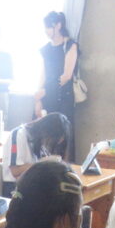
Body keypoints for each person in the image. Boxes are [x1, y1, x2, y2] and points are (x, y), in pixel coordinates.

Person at [35, 11, 77, 159]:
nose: (46, 31)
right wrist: (38, 98)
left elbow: (66, 76)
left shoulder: (70, 45)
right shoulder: (46, 49)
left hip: (63, 98)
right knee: (44, 138)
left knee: (63, 137)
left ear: (58, 25)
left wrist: (45, 91)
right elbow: (43, 74)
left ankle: (64, 167)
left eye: (49, 27)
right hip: (48, 97)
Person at [1, 112, 71, 196]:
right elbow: (15, 171)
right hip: (15, 188)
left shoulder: (39, 140)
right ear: (47, 131)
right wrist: (43, 163)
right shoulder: (18, 134)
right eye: (52, 140)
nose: (49, 144)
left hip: (32, 185)